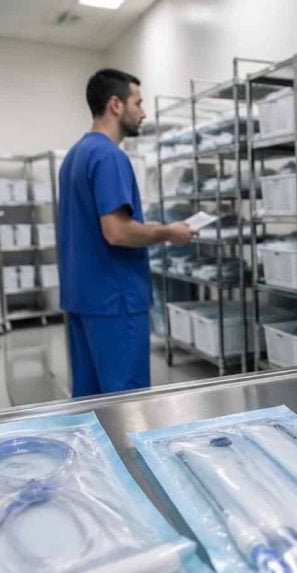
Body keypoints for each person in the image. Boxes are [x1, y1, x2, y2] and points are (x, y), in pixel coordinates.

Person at [59, 68, 192, 398]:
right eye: (139, 102)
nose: (143, 112)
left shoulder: (75, 156)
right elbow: (117, 232)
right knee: (126, 404)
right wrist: (168, 232)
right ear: (116, 104)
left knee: (90, 402)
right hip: (115, 300)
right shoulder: (109, 156)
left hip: (82, 297)